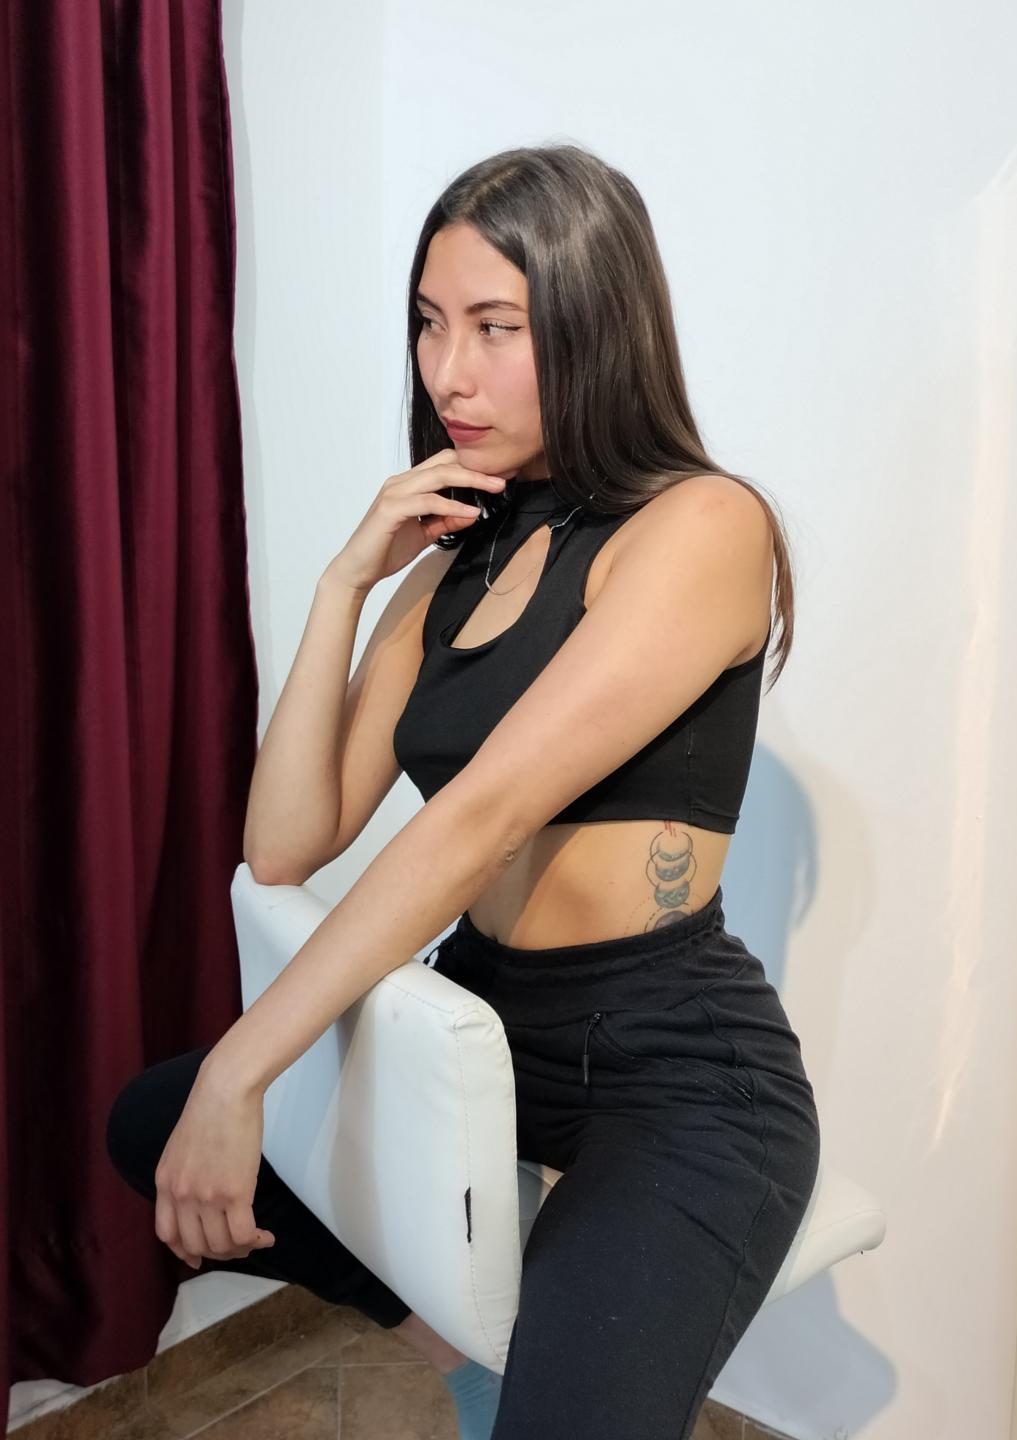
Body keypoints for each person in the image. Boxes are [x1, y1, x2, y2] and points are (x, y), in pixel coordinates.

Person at [105, 142, 820, 1440]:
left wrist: (246, 1069)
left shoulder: (703, 525)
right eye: (431, 325)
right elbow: (283, 844)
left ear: (596, 322)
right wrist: (347, 581)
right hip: (481, 1021)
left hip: (667, 1061)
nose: (448, 373)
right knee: (151, 1118)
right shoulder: (452, 565)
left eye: (496, 327)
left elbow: (481, 816)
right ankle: (453, 1336)